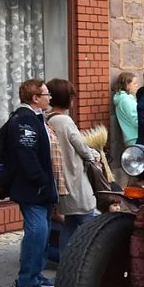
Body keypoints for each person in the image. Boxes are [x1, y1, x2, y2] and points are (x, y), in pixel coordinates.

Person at [9, 79, 58, 287]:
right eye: (46, 94)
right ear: (35, 98)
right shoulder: (24, 121)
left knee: (43, 231)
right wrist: (41, 180)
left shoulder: (35, 118)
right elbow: (27, 156)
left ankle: (36, 275)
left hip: (41, 189)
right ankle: (26, 281)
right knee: (36, 233)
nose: (50, 98)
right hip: (33, 189)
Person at [46, 78, 101, 254]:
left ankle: (65, 261)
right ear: (67, 98)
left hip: (60, 182)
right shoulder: (65, 121)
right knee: (90, 222)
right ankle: (93, 261)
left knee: (70, 223)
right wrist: (96, 155)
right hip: (74, 180)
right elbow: (82, 148)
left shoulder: (48, 120)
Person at [113, 71, 139, 146]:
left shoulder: (123, 99)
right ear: (126, 85)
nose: (136, 85)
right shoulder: (126, 100)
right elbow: (136, 119)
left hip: (131, 137)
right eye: (134, 83)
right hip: (135, 137)